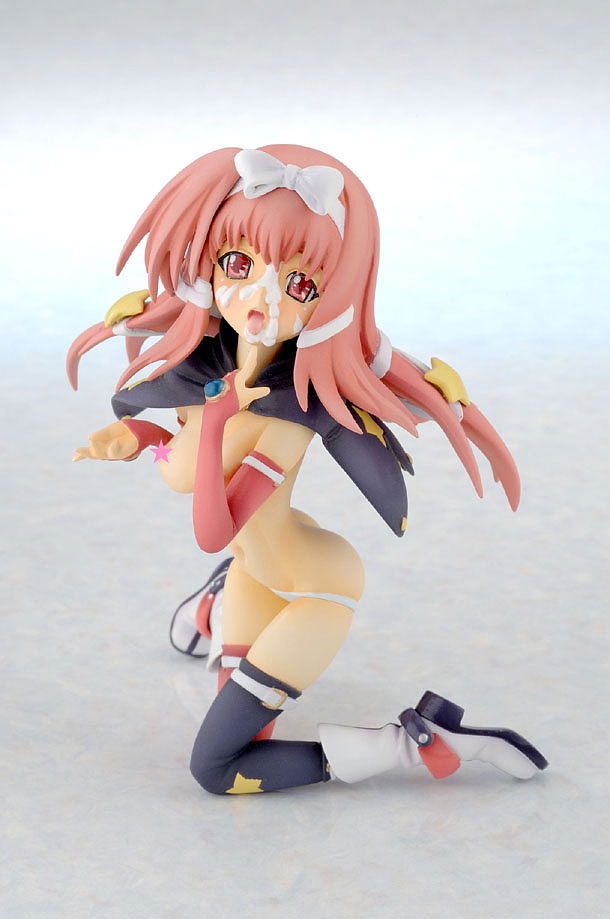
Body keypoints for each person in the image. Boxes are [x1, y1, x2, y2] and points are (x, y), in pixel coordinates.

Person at [68, 145, 547, 794]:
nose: (259, 300)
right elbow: (180, 450)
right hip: (256, 569)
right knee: (244, 719)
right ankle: (217, 602)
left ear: (330, 301)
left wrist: (215, 427)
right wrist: (135, 436)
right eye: (239, 265)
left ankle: (416, 743)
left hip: (312, 588)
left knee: (218, 768)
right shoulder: (209, 370)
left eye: (299, 285)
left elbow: (213, 526)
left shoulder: (285, 414)